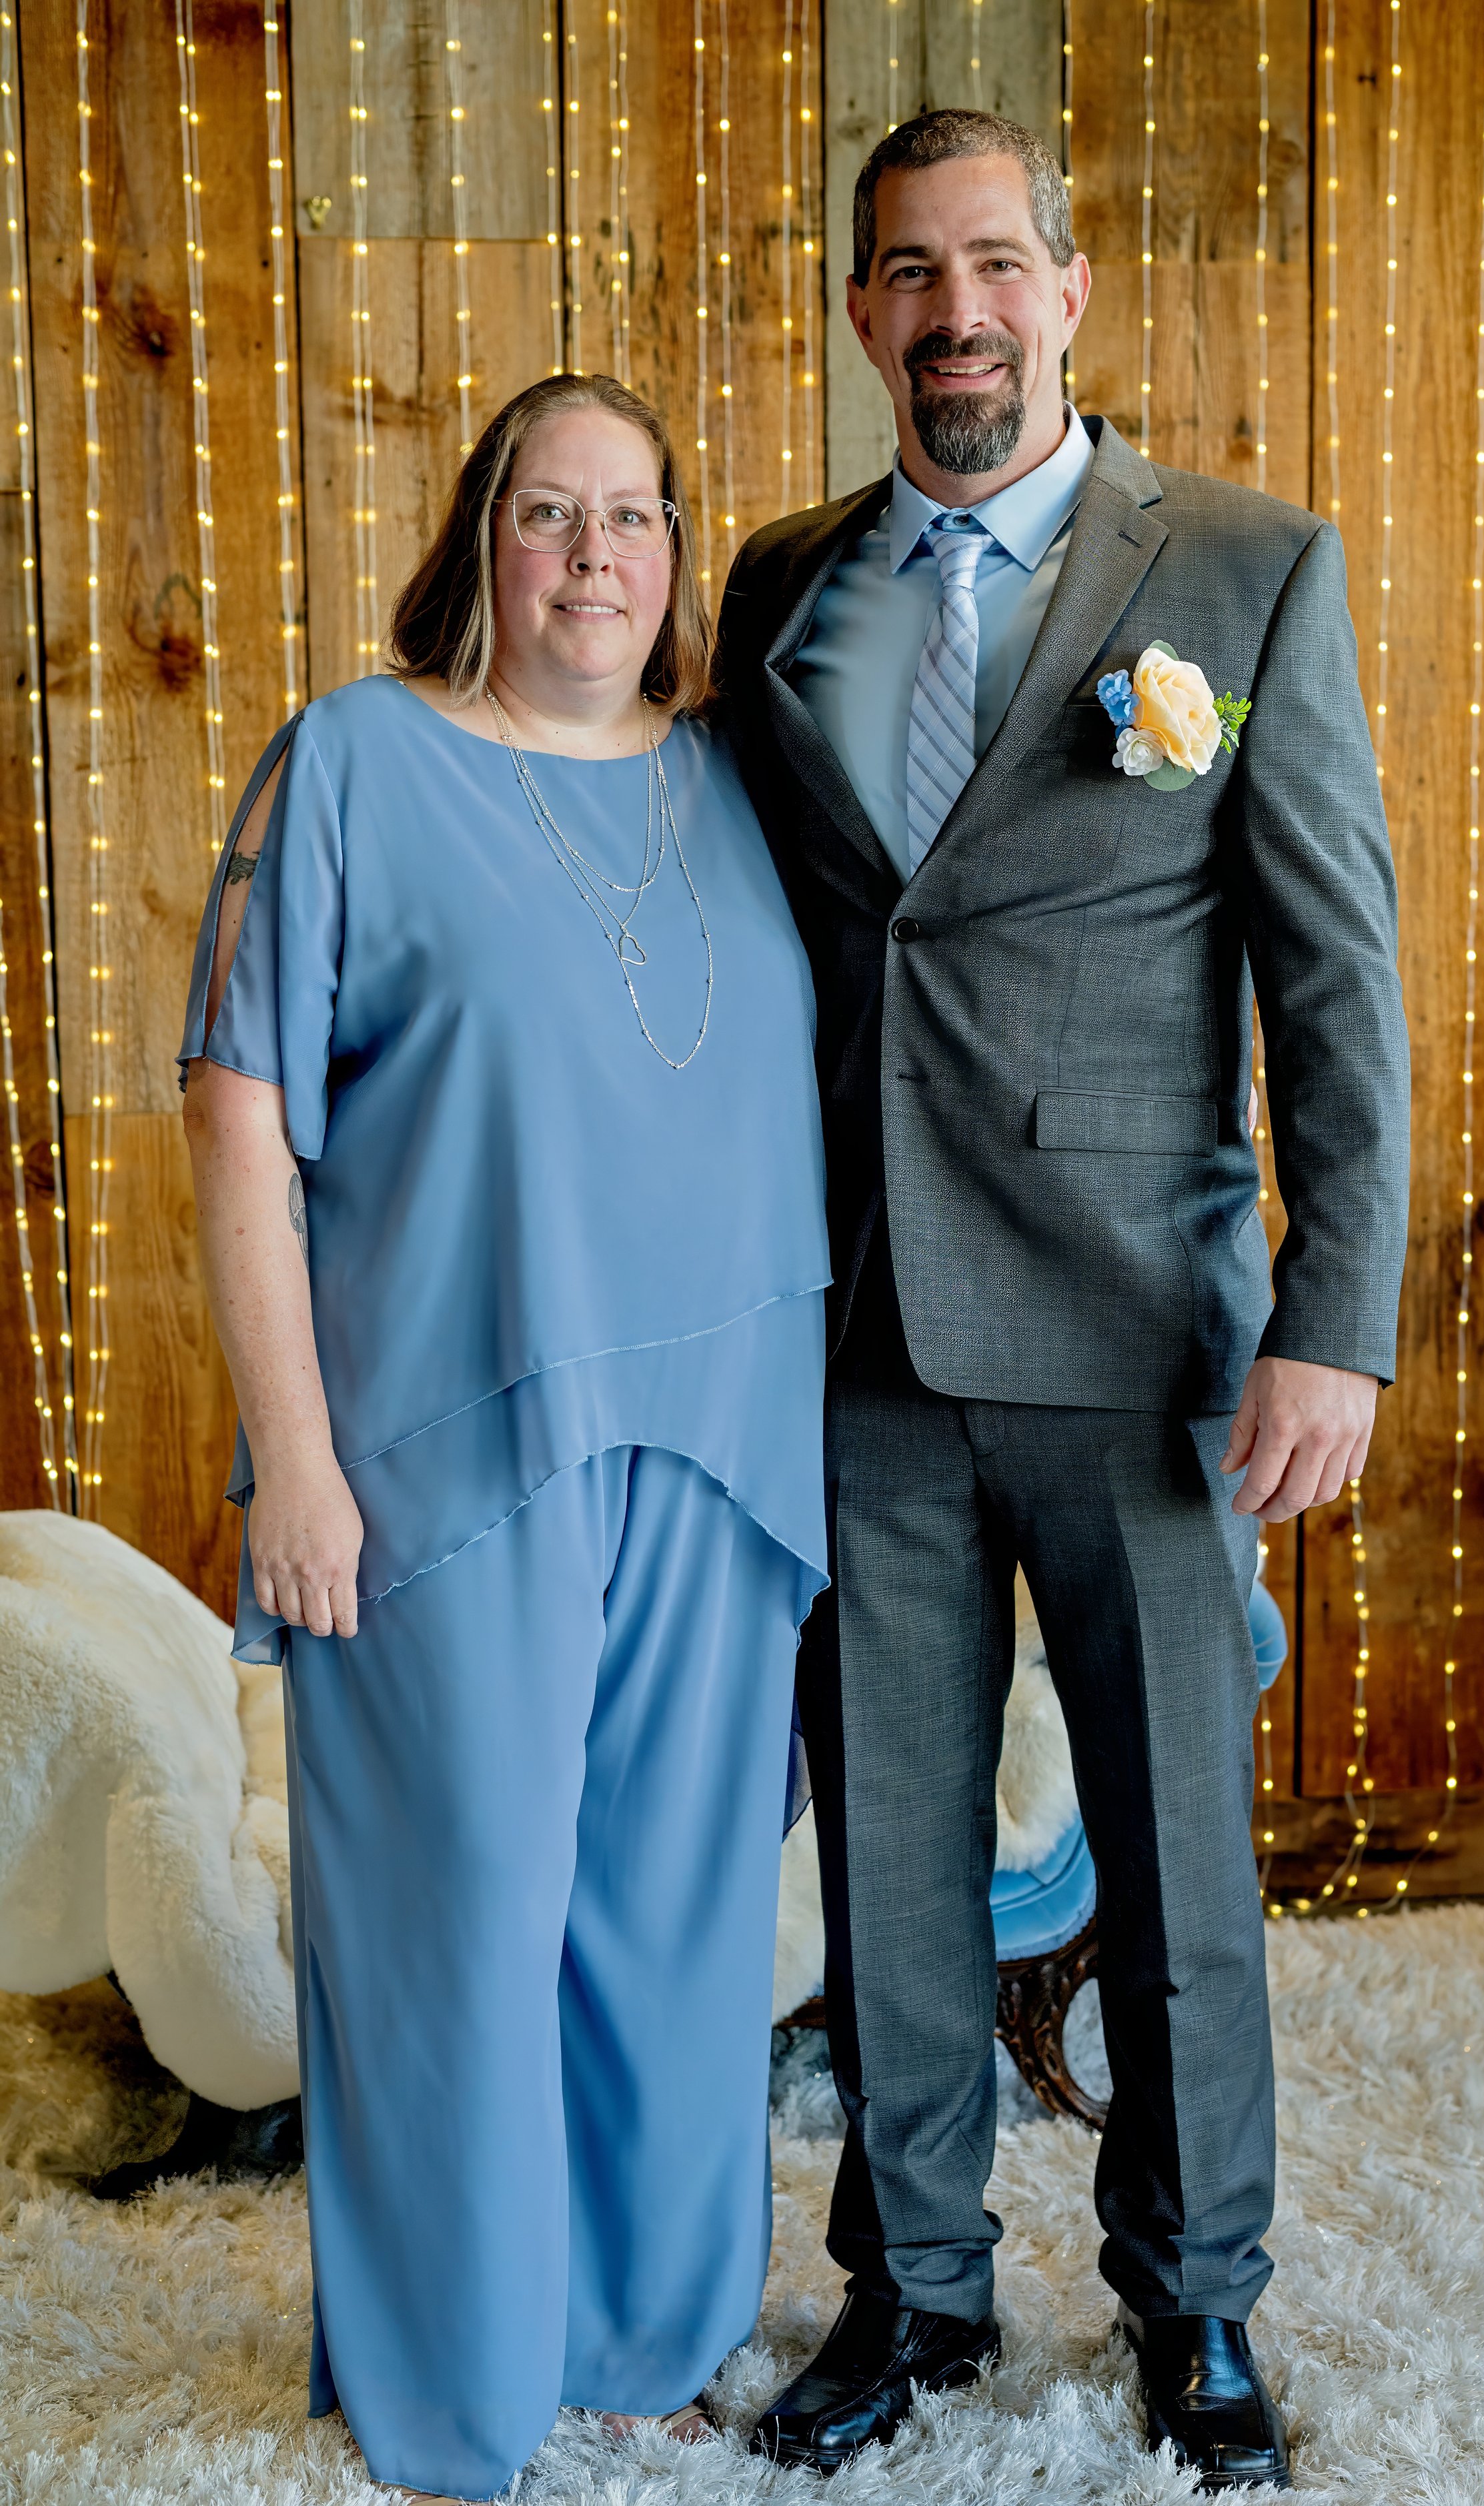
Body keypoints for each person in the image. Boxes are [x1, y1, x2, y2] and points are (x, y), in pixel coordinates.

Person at [720, 109, 1410, 2493]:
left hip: (1141, 1341)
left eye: (994, 265)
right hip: (856, 1334)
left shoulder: (1241, 567)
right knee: (887, 1850)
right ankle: (911, 2294)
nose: (956, 316)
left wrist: (1337, 1318)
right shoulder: (777, 585)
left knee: (1172, 1864)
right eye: (908, 275)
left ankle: (1194, 2309)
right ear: (859, 316)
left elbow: (1334, 979)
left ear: (1070, 290)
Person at [179, 373, 830, 2503]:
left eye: (631, 516)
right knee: (453, 1922)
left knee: (673, 1918)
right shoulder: (356, 760)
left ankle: (644, 2343)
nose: (590, 557)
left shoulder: (742, 775)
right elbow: (242, 1103)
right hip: (447, 1453)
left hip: (726, 1442)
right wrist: (292, 1454)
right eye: (547, 512)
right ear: (480, 538)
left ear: (672, 550)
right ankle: (448, 2399)